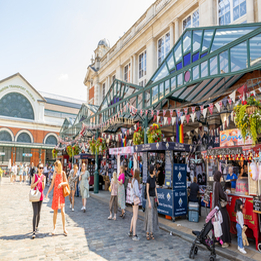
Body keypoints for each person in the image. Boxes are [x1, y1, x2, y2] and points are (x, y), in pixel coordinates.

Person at [46, 160, 68, 236]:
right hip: (55, 194)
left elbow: (66, 183)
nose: (54, 168)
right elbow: (52, 184)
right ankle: (54, 228)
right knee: (55, 212)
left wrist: (61, 184)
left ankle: (64, 228)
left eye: (55, 166)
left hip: (61, 194)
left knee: (63, 212)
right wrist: (47, 192)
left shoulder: (63, 173)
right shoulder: (54, 174)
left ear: (58, 166)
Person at [212, 171, 231, 248]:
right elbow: (222, 195)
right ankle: (224, 242)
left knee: (217, 223)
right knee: (224, 223)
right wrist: (226, 193)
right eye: (221, 177)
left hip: (215, 207)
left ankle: (217, 240)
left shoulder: (214, 184)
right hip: (220, 207)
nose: (221, 178)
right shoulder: (218, 184)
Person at [31, 163, 46, 239]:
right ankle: (33, 232)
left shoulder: (44, 177)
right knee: (35, 213)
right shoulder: (35, 176)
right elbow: (31, 186)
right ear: (37, 168)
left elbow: (43, 188)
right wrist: (37, 181)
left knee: (39, 213)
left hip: (40, 197)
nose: (41, 169)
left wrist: (42, 181)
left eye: (42, 168)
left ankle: (37, 226)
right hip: (34, 196)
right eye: (40, 168)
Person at [144, 165, 159, 240]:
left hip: (154, 198)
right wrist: (149, 201)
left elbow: (155, 188)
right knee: (149, 216)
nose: (155, 171)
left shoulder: (154, 178)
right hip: (149, 199)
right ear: (152, 171)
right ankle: (148, 232)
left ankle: (152, 232)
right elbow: (147, 191)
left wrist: (157, 198)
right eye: (154, 170)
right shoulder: (148, 179)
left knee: (153, 216)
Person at [129, 169, 141, 241]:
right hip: (135, 200)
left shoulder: (133, 180)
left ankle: (130, 231)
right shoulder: (136, 181)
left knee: (133, 216)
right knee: (135, 217)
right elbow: (137, 192)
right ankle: (134, 234)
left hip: (132, 199)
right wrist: (140, 195)